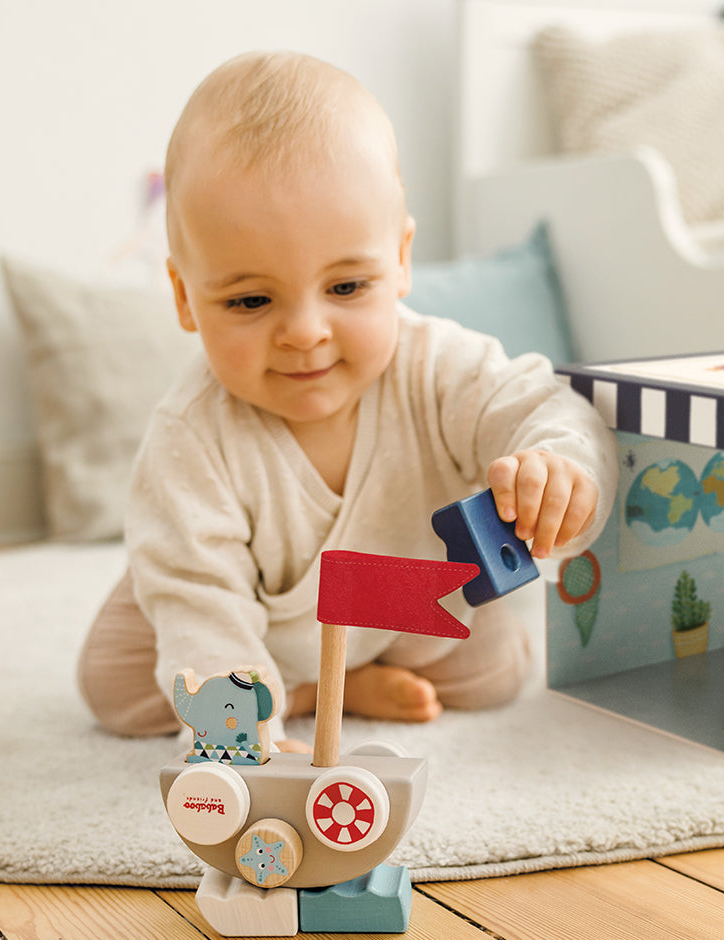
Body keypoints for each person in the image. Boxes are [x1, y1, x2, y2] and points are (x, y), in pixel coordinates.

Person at [78, 51, 617, 750]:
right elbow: (199, 604)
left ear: (400, 260)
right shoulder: (193, 437)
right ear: (185, 296)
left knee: (500, 675)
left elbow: (542, 405)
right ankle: (305, 692)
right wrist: (241, 733)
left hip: (400, 606)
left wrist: (557, 467)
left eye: (345, 287)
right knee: (114, 686)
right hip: (251, 623)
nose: (304, 333)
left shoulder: (439, 366)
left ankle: (347, 673)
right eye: (250, 299)